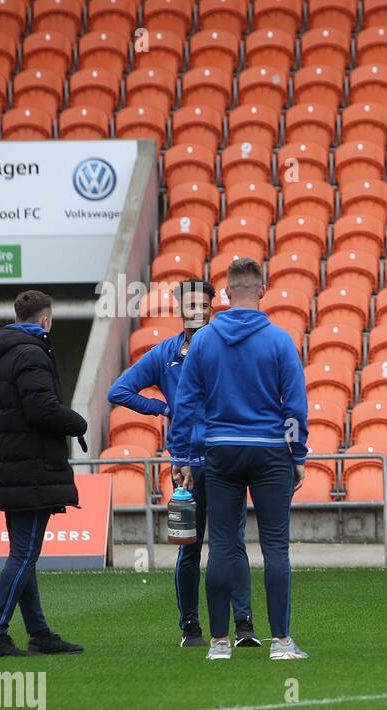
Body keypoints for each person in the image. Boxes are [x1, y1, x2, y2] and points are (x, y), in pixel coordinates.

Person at [168, 259, 310, 661]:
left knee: (223, 545)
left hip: (220, 450)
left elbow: (186, 403)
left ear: (226, 294)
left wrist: (181, 455)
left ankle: (218, 644)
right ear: (262, 289)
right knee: (275, 547)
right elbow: (295, 408)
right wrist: (297, 455)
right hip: (269, 452)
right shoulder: (280, 341)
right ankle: (281, 643)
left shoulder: (204, 342)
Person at [107, 279, 258, 649]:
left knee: (232, 543)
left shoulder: (228, 349)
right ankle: (190, 628)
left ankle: (244, 627)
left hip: (226, 462)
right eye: (189, 304)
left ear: (211, 309)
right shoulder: (164, 355)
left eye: (203, 305)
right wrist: (163, 408)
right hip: (186, 468)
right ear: (180, 309)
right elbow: (118, 391)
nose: (196, 311)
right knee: (188, 546)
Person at [0, 290, 86, 657]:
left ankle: (39, 633)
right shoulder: (31, 353)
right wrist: (77, 423)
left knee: (23, 554)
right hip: (31, 469)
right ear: (45, 320)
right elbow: (42, 410)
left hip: (6, 466)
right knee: (24, 554)